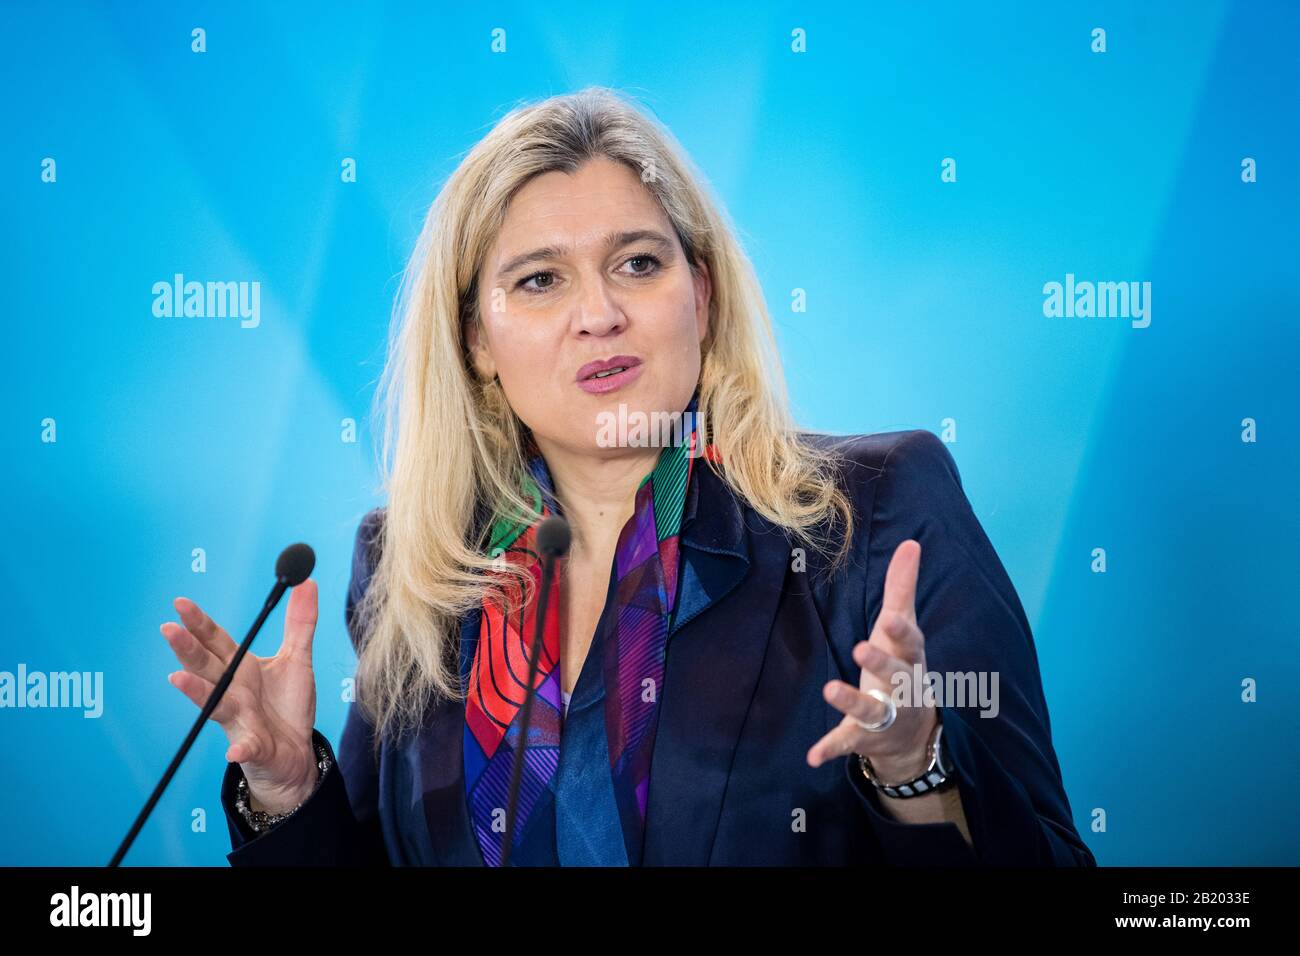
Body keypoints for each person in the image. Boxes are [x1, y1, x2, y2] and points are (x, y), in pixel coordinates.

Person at [160, 86, 1095, 867]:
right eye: (539, 280)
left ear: (702, 292)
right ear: (477, 341)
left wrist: (912, 769)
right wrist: (290, 793)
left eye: (637, 264)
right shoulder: (418, 565)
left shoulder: (875, 516)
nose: (599, 314)